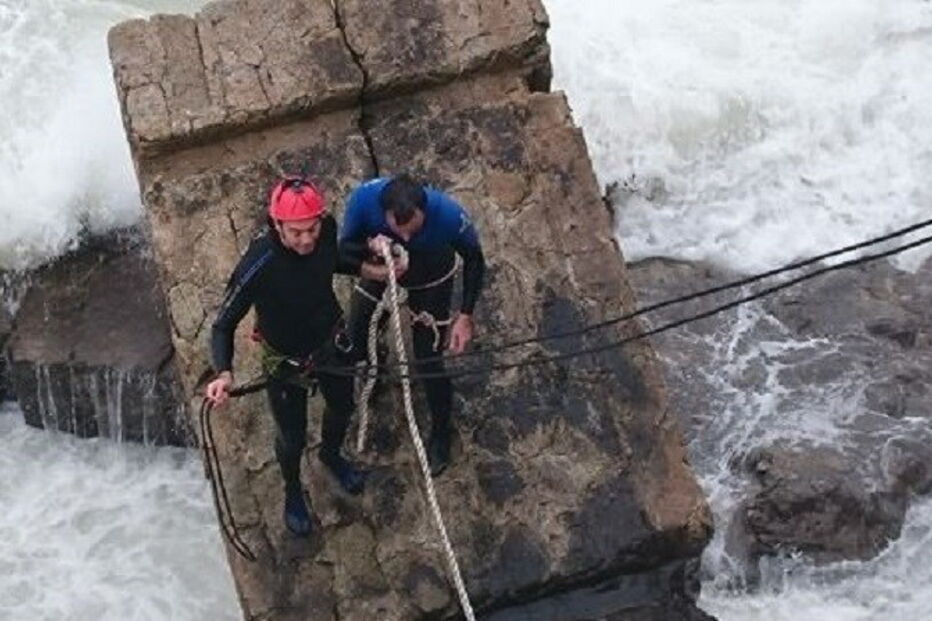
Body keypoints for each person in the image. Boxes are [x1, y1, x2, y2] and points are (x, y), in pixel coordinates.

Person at [205, 176, 371, 537]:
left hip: (329, 338)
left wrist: (366, 266)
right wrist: (224, 372)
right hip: (285, 358)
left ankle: (330, 454)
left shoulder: (325, 231)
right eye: (296, 233)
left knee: (343, 406)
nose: (307, 239)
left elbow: (327, 261)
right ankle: (293, 490)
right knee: (291, 437)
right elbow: (223, 324)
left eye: (311, 229)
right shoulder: (259, 263)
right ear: (277, 225)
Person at [340, 173, 486, 477]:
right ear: (383, 215)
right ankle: (372, 368)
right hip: (382, 263)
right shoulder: (363, 202)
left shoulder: (448, 215)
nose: (406, 237)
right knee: (355, 330)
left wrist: (465, 315)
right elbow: (343, 251)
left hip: (431, 270)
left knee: (427, 359)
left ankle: (441, 431)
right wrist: (370, 251)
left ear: (425, 212)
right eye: (398, 229)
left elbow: (474, 258)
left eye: (413, 229)